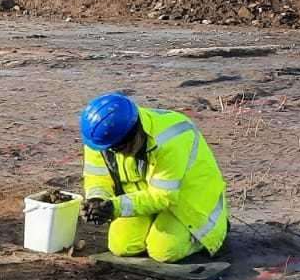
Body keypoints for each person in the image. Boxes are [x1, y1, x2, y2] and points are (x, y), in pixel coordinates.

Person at [78, 93, 228, 263]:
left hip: (188, 201)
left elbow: (163, 195)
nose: (115, 153)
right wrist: (97, 199)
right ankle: (155, 225)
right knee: (121, 245)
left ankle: (213, 231)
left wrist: (115, 207)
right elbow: (97, 176)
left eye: (119, 148)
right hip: (144, 196)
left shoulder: (170, 138)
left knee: (163, 250)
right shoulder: (102, 138)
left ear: (135, 133)